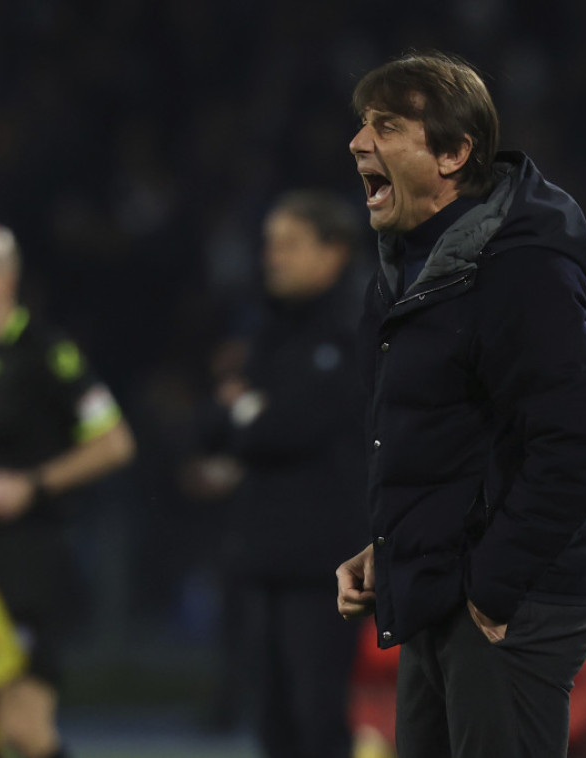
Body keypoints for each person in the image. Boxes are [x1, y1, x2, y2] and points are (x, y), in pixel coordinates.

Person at [335, 52, 586, 758]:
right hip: (438, 591)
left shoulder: (525, 268)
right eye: (363, 124)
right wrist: (391, 545)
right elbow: (447, 441)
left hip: (505, 604)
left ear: (454, 153)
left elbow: (572, 446)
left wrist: (493, 586)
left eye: (386, 127)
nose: (358, 142)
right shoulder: (406, 266)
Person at [0, 224, 136, 758]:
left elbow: (115, 443)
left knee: (23, 727)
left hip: (31, 558)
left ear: (1, 281)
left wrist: (31, 485)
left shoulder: (46, 352)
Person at [192, 190, 368, 758]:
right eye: (270, 244)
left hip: (325, 563)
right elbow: (210, 425)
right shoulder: (270, 327)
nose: (273, 256)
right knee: (272, 722)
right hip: (261, 554)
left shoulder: (356, 327)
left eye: (290, 244)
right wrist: (251, 415)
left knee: (318, 717)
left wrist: (245, 411)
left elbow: (298, 425)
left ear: (333, 251)